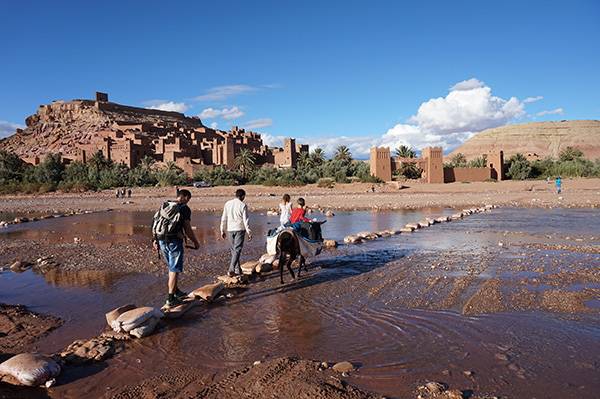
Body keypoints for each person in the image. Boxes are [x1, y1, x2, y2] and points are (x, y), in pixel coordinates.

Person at [153, 189, 200, 308]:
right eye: (188, 199)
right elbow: (187, 228)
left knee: (171, 268)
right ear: (185, 197)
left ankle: (176, 291)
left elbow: (156, 222)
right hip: (174, 241)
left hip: (162, 240)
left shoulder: (166, 205)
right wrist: (195, 241)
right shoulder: (184, 208)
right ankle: (170, 299)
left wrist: (155, 240)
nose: (188, 201)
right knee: (174, 270)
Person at [221, 189, 252, 276]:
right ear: (242, 196)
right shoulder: (243, 205)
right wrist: (249, 233)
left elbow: (224, 218)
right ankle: (231, 269)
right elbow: (246, 220)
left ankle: (238, 270)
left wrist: (222, 230)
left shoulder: (228, 203)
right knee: (237, 250)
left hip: (230, 229)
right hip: (239, 229)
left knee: (234, 250)